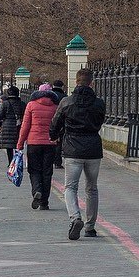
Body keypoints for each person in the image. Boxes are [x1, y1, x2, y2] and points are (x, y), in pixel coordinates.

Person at [50, 68, 106, 240]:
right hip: (93, 149)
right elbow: (99, 122)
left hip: (72, 149)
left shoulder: (67, 102)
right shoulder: (99, 103)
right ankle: (90, 227)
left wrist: (54, 136)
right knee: (92, 188)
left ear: (76, 82)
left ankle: (75, 217)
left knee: (70, 187)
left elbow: (55, 123)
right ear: (92, 83)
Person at [17, 84, 59, 210]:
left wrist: (20, 143)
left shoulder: (31, 105)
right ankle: (44, 203)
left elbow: (25, 126)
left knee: (34, 170)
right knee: (47, 172)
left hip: (33, 143)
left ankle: (37, 190)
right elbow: (58, 125)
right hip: (50, 144)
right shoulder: (55, 106)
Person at [0, 85, 26, 164]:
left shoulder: (5, 103)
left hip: (7, 126)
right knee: (18, 144)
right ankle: (18, 161)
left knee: (9, 147)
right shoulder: (22, 104)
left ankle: (11, 162)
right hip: (18, 126)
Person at [50, 80, 67, 169]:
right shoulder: (64, 97)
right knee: (59, 142)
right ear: (62, 87)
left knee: (51, 139)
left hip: (50, 120)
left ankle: (50, 159)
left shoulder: (49, 95)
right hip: (62, 121)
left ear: (53, 85)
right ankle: (58, 162)